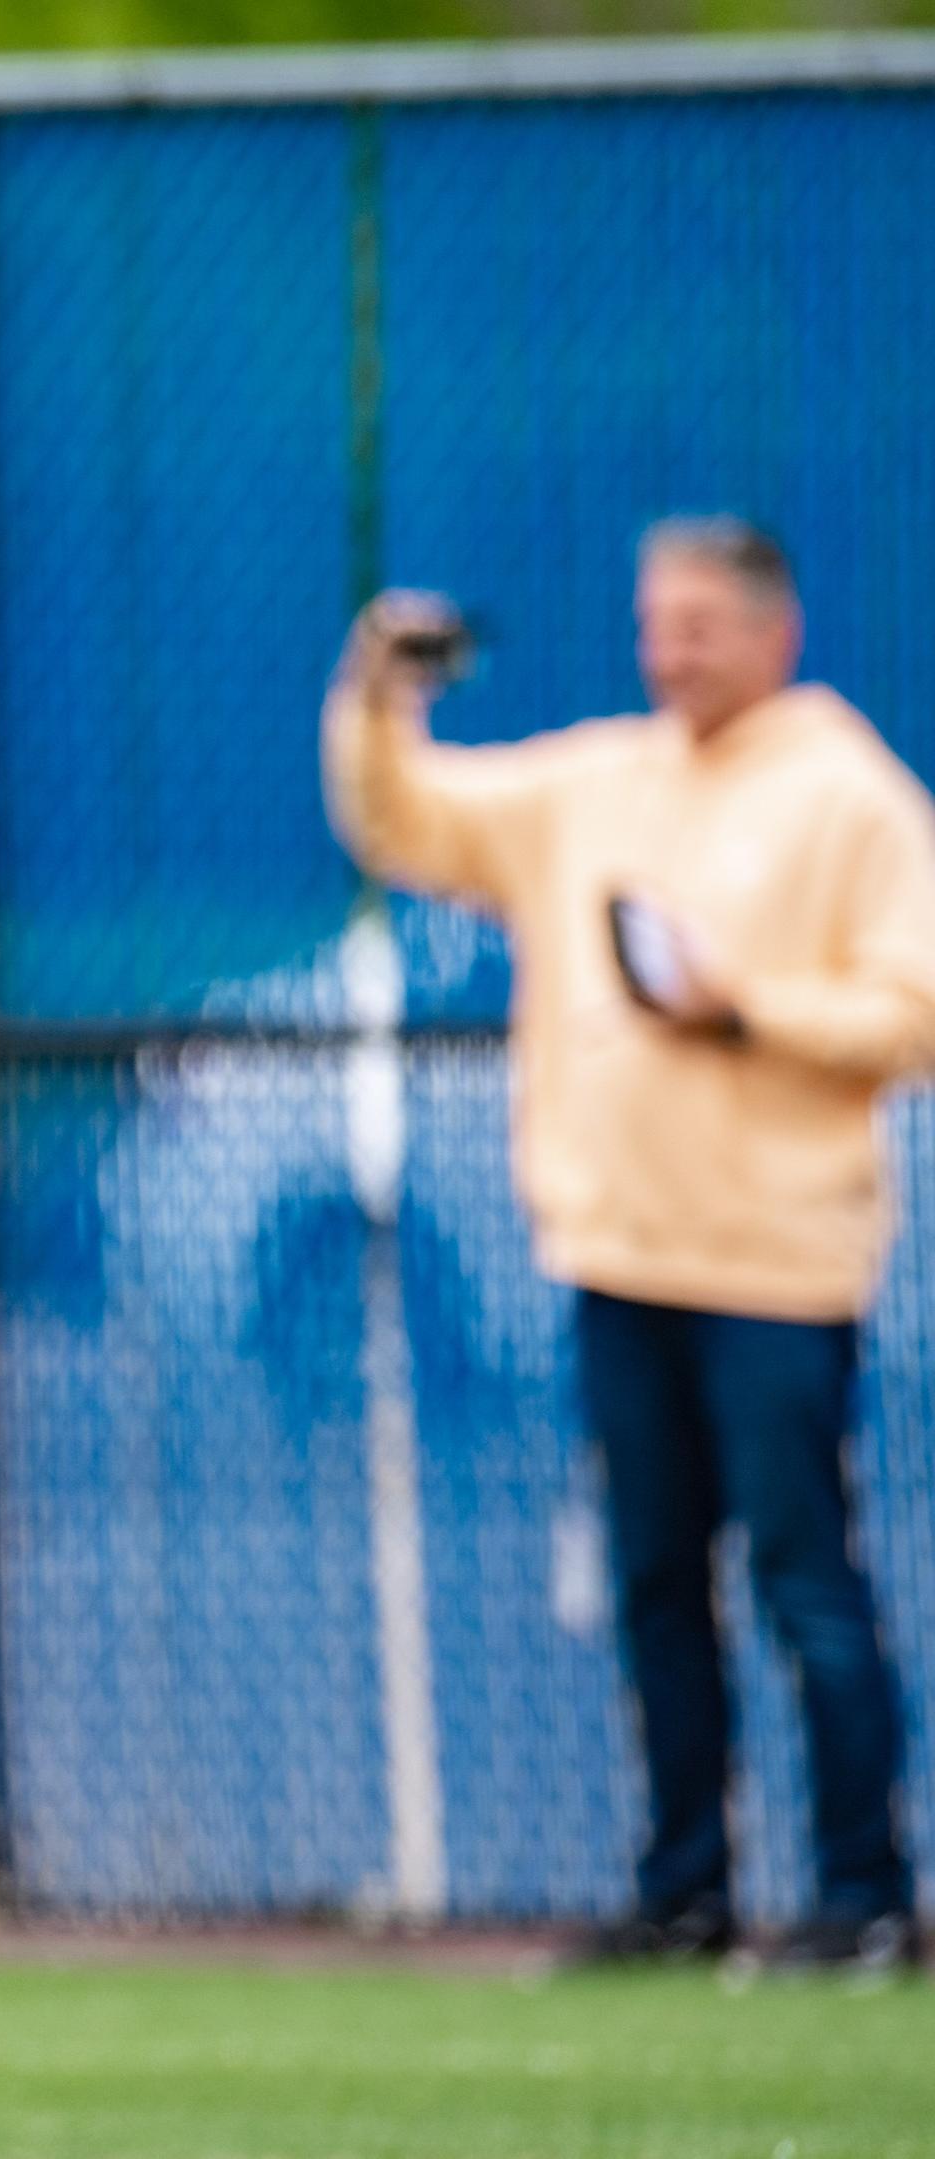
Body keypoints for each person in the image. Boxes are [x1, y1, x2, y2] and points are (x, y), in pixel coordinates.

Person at [326, 520, 935, 1980]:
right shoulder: (600, 780)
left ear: (775, 634)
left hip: (775, 1264)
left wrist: (745, 1009)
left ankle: (867, 1893)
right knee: (656, 1581)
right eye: (658, 621)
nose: (673, 649)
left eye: (704, 623)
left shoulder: (847, 793)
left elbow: (912, 1009)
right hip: (617, 1249)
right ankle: (687, 1889)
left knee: (801, 1573)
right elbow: (403, 819)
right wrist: (377, 692)